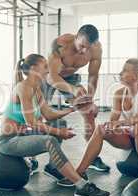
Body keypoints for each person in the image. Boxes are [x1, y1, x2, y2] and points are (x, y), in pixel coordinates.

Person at [0, 54, 110, 196]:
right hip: (8, 141)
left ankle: (52, 167)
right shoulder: (23, 87)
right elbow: (32, 123)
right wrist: (59, 132)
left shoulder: (36, 89)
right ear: (33, 69)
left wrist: (72, 108)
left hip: (23, 135)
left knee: (60, 123)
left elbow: (49, 115)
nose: (48, 70)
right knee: (49, 140)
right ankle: (81, 185)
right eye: (45, 66)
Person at [71, 58, 138, 181]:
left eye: (124, 70)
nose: (120, 73)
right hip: (131, 136)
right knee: (101, 129)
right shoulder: (119, 93)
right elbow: (113, 120)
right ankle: (79, 172)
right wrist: (100, 120)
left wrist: (120, 123)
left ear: (135, 76)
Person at [42, 24, 110, 173]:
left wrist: (89, 99)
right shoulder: (60, 44)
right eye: (82, 46)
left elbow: (93, 75)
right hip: (48, 77)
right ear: (76, 37)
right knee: (37, 114)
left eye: (88, 47)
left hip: (71, 78)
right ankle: (30, 159)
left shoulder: (96, 49)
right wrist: (73, 89)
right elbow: (52, 77)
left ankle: (92, 158)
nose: (84, 51)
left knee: (89, 113)